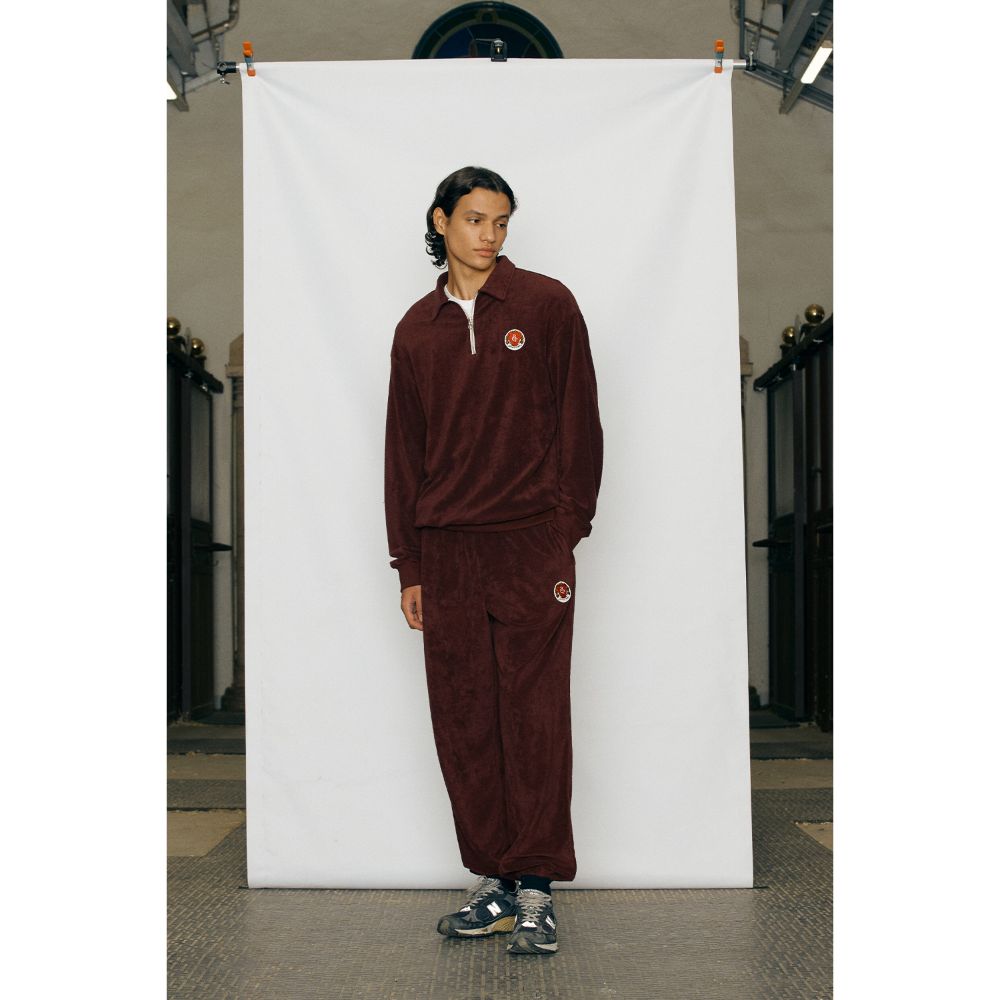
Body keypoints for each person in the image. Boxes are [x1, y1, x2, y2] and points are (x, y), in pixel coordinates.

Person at [384, 166, 603, 956]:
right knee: (466, 720)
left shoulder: (546, 306)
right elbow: (403, 454)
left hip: (528, 545)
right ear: (440, 221)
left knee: (534, 716)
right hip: (446, 554)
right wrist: (410, 564)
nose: (490, 234)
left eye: (502, 221)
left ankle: (536, 887)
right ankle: (496, 882)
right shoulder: (416, 330)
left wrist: (562, 528)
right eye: (475, 219)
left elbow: (581, 424)